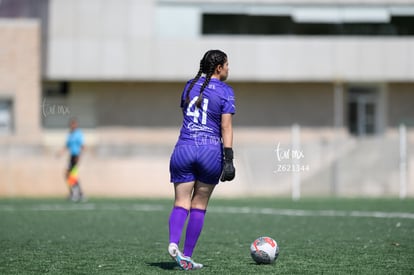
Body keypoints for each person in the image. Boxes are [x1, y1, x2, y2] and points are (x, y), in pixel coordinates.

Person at [168, 49, 236, 270]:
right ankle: (186, 256)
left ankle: (172, 242)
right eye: (227, 65)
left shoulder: (189, 85)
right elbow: (225, 127)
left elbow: (187, 114)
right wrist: (228, 159)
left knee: (181, 202)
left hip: (184, 148)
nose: (228, 68)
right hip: (209, 151)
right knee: (199, 205)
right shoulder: (226, 91)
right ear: (219, 68)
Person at [58, 118, 85, 202]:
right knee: (68, 175)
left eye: (74, 124)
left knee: (72, 175)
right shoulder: (70, 134)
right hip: (71, 157)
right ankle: (78, 193)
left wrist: (79, 156)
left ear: (76, 125)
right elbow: (67, 145)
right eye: (72, 124)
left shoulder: (78, 134)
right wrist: (61, 152)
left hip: (76, 156)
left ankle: (76, 193)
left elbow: (82, 146)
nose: (73, 126)